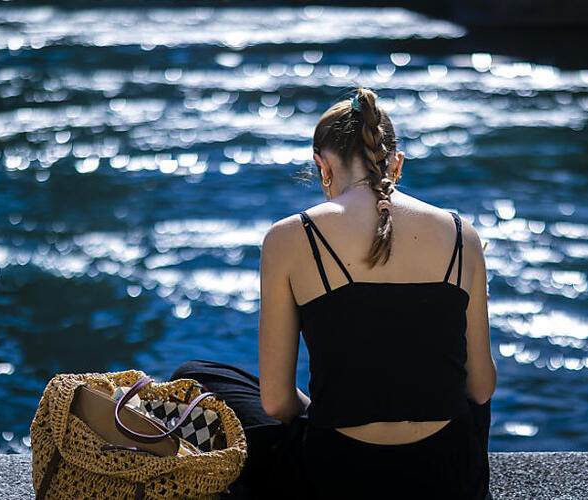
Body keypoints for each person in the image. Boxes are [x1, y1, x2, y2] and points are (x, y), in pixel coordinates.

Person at [171, 86, 496, 499]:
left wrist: (334, 408)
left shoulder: (290, 237)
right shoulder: (461, 234)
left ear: (322, 166)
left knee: (196, 376)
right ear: (396, 164)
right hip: (451, 479)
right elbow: (481, 389)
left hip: (337, 477)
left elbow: (276, 403)